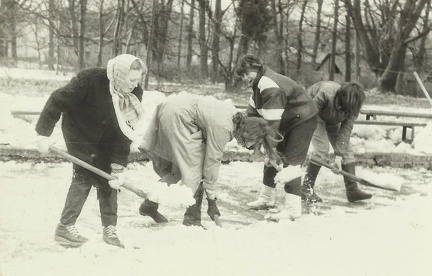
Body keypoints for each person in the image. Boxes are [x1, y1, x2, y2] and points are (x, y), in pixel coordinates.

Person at [35, 54, 147, 248]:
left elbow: (126, 129)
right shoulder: (89, 79)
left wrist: (119, 165)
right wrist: (43, 133)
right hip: (80, 132)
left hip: (108, 137)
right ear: (119, 76)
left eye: (138, 79)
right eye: (131, 79)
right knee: (84, 174)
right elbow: (56, 100)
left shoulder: (134, 92)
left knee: (110, 178)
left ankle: (110, 228)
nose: (135, 84)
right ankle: (65, 227)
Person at [138, 93, 282, 227]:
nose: (246, 146)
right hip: (180, 115)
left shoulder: (234, 116)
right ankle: (192, 219)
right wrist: (212, 202)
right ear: (248, 133)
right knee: (196, 170)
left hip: (174, 108)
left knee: (180, 170)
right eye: (250, 142)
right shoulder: (224, 128)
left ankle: (149, 205)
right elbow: (212, 162)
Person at [235, 53, 319, 220]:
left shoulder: (269, 84)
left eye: (246, 74)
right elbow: (251, 114)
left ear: (256, 68)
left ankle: (293, 209)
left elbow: (271, 126)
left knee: (290, 163)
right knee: (272, 158)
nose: (244, 78)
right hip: (288, 120)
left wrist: (269, 147)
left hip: (302, 120)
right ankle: (267, 198)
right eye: (242, 75)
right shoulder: (258, 87)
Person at [302, 81, 372, 203]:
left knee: (347, 151)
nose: (341, 109)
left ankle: (352, 189)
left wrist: (339, 156)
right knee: (322, 149)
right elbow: (309, 112)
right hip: (316, 115)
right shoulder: (326, 93)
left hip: (333, 119)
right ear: (340, 97)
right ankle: (306, 188)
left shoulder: (353, 107)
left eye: (344, 109)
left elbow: (345, 130)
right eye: (340, 105)